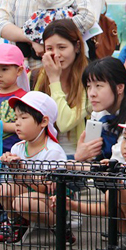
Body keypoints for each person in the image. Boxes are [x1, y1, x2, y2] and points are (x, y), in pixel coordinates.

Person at [69, 58, 126, 250]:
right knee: (105, 180)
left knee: (111, 180)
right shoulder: (98, 113)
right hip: (115, 176)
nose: (92, 93)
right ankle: (122, 231)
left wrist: (83, 162)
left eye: (99, 86)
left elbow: (120, 158)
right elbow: (90, 152)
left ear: (119, 87)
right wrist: (80, 156)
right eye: (88, 86)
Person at [0, 91, 70, 244]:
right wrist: (11, 165)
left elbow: (44, 188)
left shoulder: (52, 151)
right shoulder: (17, 148)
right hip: (29, 195)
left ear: (44, 121)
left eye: (24, 118)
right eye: (16, 118)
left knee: (22, 202)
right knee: (4, 189)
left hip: (53, 202)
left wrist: (20, 168)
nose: (17, 122)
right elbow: (16, 182)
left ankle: (60, 227)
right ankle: (16, 225)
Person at [33, 19, 90, 156]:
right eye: (50, 49)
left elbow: (64, 123)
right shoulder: (35, 77)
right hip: (43, 156)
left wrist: (54, 79)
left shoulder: (89, 79)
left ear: (77, 47)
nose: (56, 54)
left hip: (77, 158)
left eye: (62, 47)